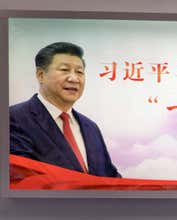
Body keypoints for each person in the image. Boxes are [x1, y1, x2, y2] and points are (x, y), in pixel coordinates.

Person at [10, 42, 120, 177]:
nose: (74, 78)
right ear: (40, 75)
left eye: (79, 72)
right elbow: (20, 178)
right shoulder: (13, 118)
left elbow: (111, 179)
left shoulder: (91, 128)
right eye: (64, 70)